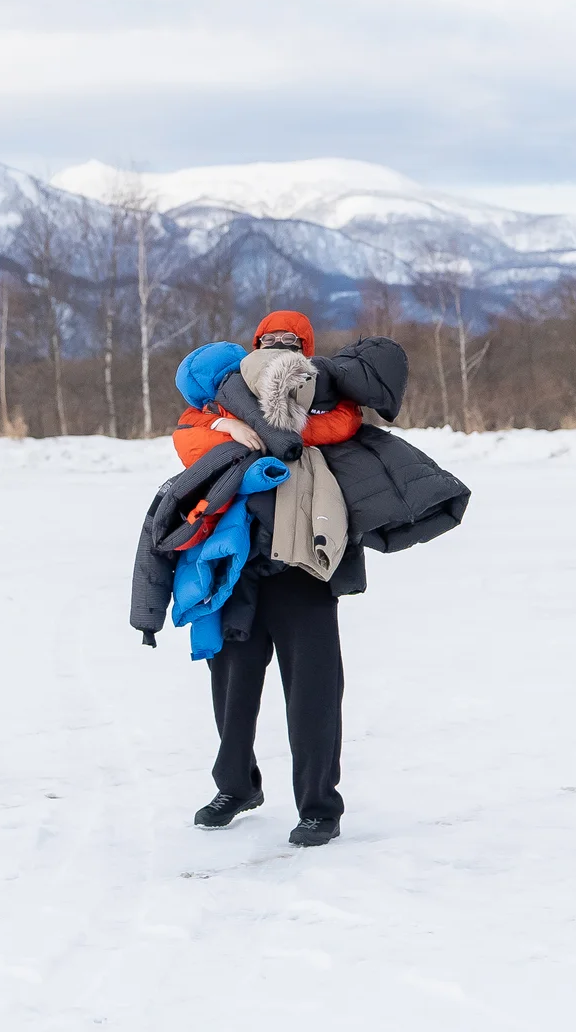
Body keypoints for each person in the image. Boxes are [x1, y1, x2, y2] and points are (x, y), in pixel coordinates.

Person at [171, 310, 364, 849]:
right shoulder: (217, 410)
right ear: (251, 349)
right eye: (268, 343)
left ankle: (319, 807)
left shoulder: (323, 407)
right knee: (231, 689)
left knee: (314, 695)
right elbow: (186, 440)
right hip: (239, 573)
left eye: (291, 343)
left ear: (306, 349)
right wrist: (226, 425)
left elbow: (344, 424)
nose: (279, 350)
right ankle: (236, 787)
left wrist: (287, 419)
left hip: (303, 572)